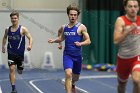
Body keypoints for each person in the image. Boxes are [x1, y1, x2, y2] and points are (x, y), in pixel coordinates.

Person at [48, 5, 91, 93]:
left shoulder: (81, 27)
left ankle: (73, 84)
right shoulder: (64, 27)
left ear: (77, 16)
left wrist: (80, 43)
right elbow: (61, 37)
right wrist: (55, 41)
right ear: (68, 15)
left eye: (75, 15)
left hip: (78, 56)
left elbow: (88, 41)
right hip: (67, 55)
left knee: (75, 78)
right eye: (71, 14)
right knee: (68, 74)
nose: (73, 16)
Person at [2, 11, 33, 93]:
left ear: (18, 19)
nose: (14, 20)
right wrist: (3, 46)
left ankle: (21, 66)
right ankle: (13, 88)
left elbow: (30, 37)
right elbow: (5, 38)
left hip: (20, 54)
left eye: (15, 18)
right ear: (10, 19)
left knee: (19, 71)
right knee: (12, 69)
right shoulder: (7, 29)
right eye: (12, 18)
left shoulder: (23, 29)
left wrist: (30, 45)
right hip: (11, 53)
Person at [114, 0, 140, 93]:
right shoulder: (121, 20)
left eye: (135, 6)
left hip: (137, 57)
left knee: (137, 81)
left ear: (138, 8)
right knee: (122, 85)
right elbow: (116, 40)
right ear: (125, 8)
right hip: (123, 58)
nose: (133, 9)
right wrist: (127, 31)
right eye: (130, 6)